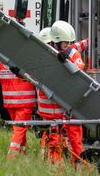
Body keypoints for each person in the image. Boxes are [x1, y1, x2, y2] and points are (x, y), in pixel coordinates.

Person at [36, 23, 85, 163]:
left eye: (69, 42)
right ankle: (55, 169)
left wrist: (66, 61)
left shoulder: (72, 53)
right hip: (51, 111)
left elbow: (79, 68)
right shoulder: (46, 54)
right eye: (65, 43)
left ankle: (79, 167)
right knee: (54, 142)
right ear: (56, 41)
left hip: (69, 106)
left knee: (75, 140)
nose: (67, 45)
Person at [0, 59, 36, 158]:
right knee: (20, 128)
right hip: (24, 100)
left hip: (9, 100)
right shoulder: (23, 58)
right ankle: (12, 155)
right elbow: (34, 78)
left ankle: (23, 152)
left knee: (18, 128)